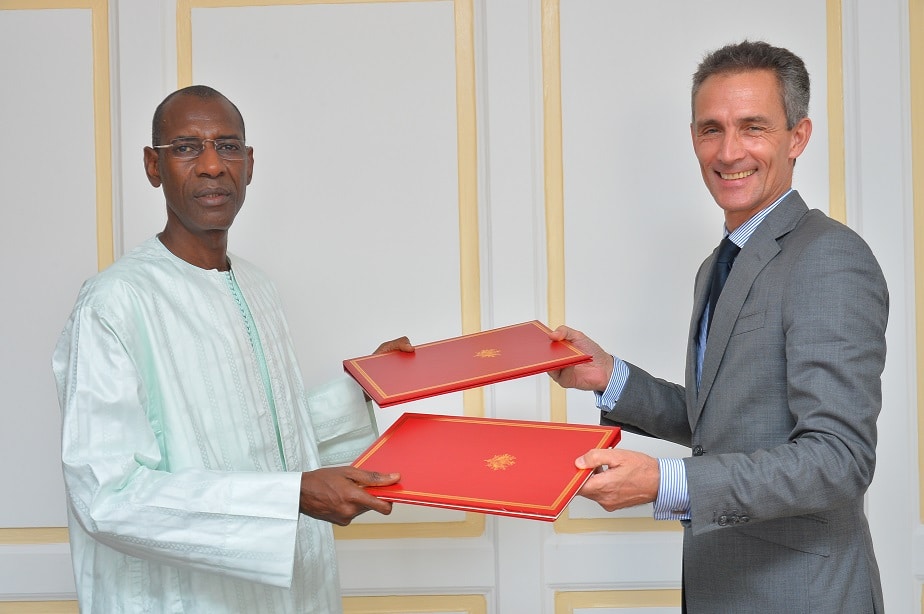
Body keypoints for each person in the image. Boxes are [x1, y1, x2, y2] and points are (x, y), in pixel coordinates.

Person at [549, 41, 888, 613]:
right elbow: (727, 424)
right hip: (722, 587)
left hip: (803, 596)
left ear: (798, 137)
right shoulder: (720, 264)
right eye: (711, 129)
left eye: (753, 127)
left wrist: (668, 483)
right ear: (693, 138)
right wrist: (609, 377)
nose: (729, 151)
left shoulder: (829, 257)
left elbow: (839, 457)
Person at [52, 85, 413, 613]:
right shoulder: (114, 303)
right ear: (153, 166)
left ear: (249, 163)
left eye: (227, 146)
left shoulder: (256, 287)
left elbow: (263, 438)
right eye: (185, 147)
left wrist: (362, 390)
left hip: (294, 590)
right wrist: (290, 496)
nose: (211, 165)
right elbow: (107, 496)